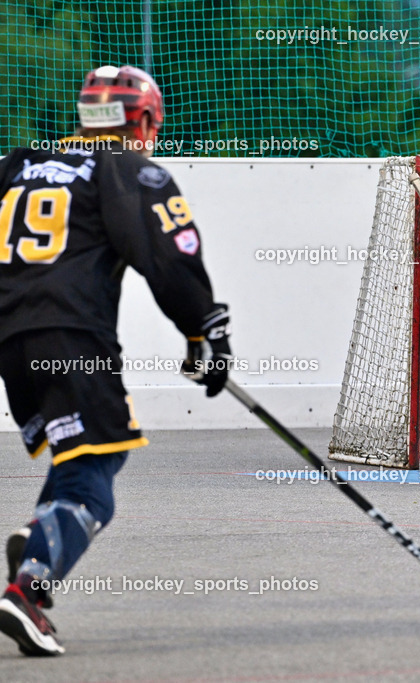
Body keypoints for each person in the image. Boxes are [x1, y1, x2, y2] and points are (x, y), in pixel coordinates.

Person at [0, 65, 231, 656]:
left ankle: (38, 538)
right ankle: (30, 584)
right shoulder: (128, 167)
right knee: (97, 479)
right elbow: (168, 256)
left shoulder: (17, 165)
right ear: (146, 119)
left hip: (12, 342)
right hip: (72, 337)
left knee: (81, 451)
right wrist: (205, 331)